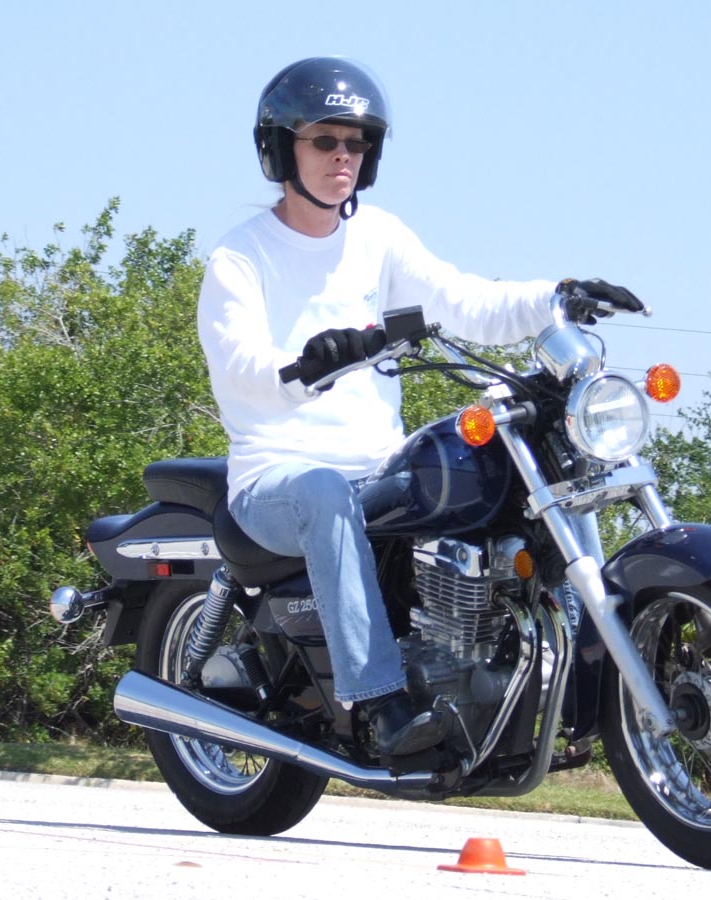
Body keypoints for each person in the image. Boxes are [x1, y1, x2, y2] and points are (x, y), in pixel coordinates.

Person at [197, 57, 642, 757]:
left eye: (356, 143)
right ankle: (379, 702)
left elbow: (464, 299)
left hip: (377, 468)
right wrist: (307, 364)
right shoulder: (240, 258)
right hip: (277, 478)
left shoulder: (378, 237)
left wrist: (555, 297)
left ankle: (537, 672)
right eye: (324, 140)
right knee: (323, 491)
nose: (343, 156)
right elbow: (240, 368)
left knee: (501, 467)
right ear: (281, 148)